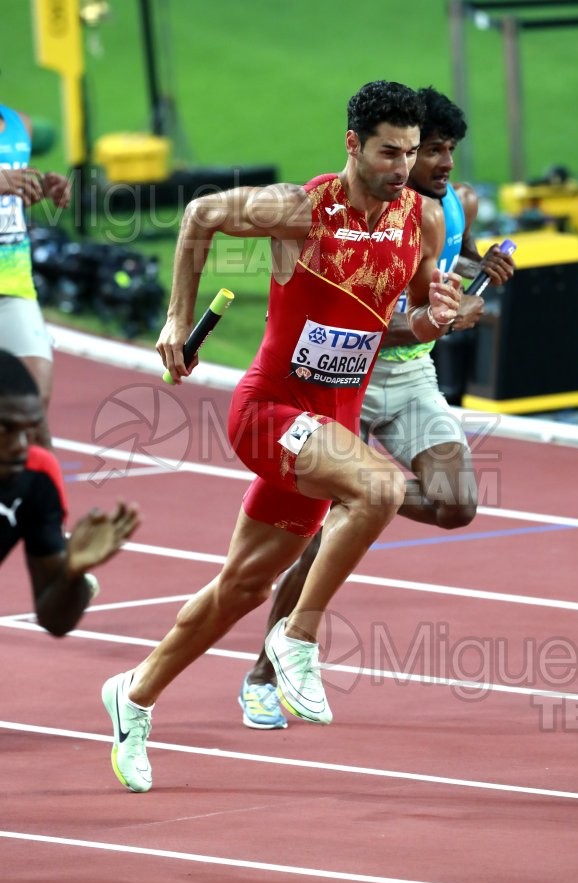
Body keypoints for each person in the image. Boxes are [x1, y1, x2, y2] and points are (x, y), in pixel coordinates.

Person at [101, 80, 463, 793]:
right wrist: (177, 320)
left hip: (327, 426)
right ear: (352, 144)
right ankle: (298, 636)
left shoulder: (423, 220)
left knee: (240, 585)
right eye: (388, 152)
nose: (402, 167)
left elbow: (401, 322)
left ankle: (134, 696)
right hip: (266, 413)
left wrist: (439, 315)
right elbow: (200, 214)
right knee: (382, 486)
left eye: (412, 153)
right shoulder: (300, 211)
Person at [237, 86, 516, 730]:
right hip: (342, 377)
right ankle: (262, 671)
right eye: (429, 152)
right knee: (315, 540)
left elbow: (441, 273)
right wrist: (426, 323)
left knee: (455, 503)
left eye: (447, 150)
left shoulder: (452, 206)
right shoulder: (347, 212)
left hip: (413, 378)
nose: (443, 164)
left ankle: (356, 498)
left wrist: (482, 272)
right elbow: (362, 323)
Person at [0, 349, 141, 636]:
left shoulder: (35, 475)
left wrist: (71, 573)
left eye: (29, 429)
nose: (21, 445)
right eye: (6, 428)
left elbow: (55, 621)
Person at [0, 103, 71, 449]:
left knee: (33, 406)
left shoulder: (19, 125)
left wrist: (42, 189)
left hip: (13, 285)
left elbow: (11, 197)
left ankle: (35, 500)